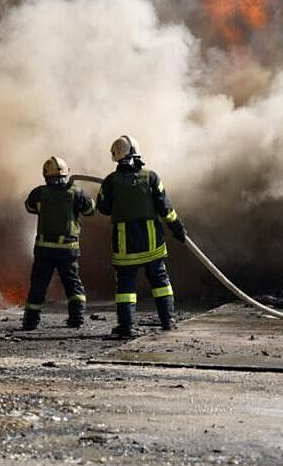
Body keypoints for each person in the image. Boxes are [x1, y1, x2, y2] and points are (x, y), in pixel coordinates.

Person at [96, 136, 187, 338]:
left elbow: (103, 208)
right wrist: (178, 229)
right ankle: (168, 321)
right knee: (160, 281)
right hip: (151, 241)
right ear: (136, 152)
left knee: (126, 286)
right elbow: (166, 209)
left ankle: (126, 327)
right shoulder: (151, 177)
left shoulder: (111, 181)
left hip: (124, 243)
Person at [22, 156, 96, 330]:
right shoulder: (75, 193)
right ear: (65, 173)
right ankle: (76, 318)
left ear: (46, 175)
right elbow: (90, 210)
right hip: (67, 249)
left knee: (38, 285)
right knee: (72, 284)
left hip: (44, 248)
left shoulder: (38, 193)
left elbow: (30, 208)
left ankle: (30, 322)